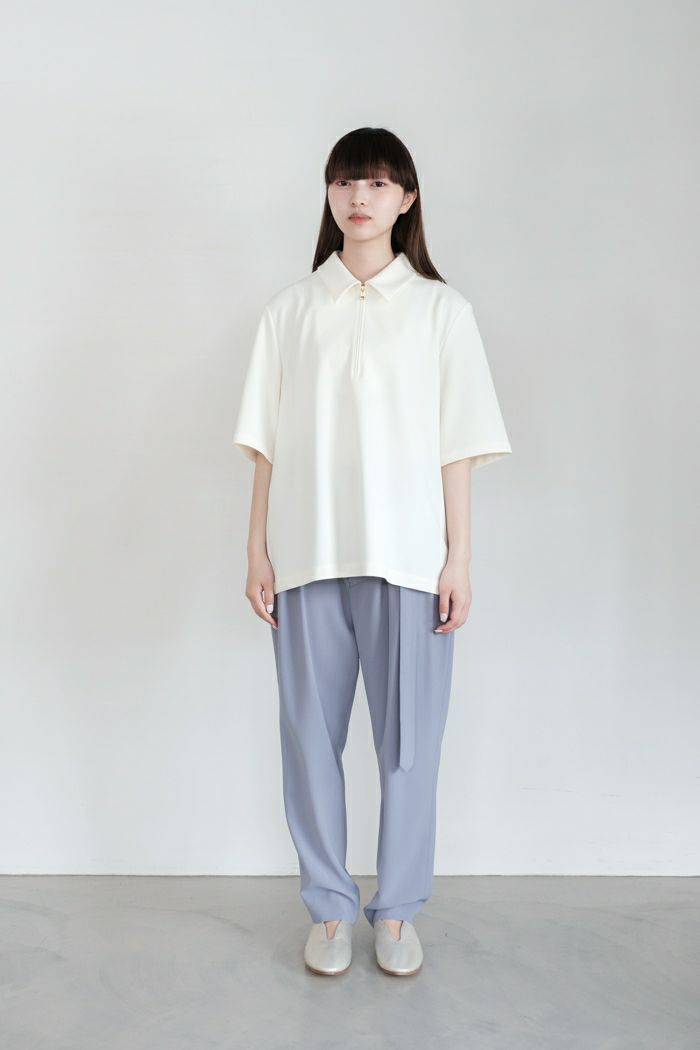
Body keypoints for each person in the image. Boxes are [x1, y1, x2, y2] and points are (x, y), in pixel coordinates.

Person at [233, 126, 512, 977]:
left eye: (380, 182)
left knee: (409, 747)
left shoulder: (442, 312)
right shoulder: (290, 311)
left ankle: (395, 913)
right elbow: (265, 445)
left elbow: (457, 446)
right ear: (329, 193)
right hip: (308, 556)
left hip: (410, 559)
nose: (361, 197)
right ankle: (328, 909)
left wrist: (458, 558)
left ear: (407, 198)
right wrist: (257, 549)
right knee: (308, 739)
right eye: (347, 181)